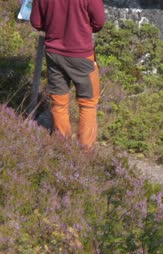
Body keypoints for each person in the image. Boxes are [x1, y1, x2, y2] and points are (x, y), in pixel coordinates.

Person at [30, 0, 106, 151]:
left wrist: (55, 27)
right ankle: (85, 152)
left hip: (54, 54)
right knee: (88, 103)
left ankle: (63, 146)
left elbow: (37, 23)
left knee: (59, 102)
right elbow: (99, 23)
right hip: (81, 55)